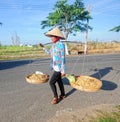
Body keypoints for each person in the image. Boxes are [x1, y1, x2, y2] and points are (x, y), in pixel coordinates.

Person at [39, 26, 66, 105]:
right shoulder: (53, 45)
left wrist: (63, 70)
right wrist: (43, 47)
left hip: (59, 68)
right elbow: (49, 52)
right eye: (51, 36)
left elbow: (63, 59)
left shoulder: (61, 45)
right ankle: (63, 94)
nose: (51, 38)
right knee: (59, 81)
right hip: (55, 66)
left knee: (51, 82)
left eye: (52, 36)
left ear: (57, 37)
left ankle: (55, 97)